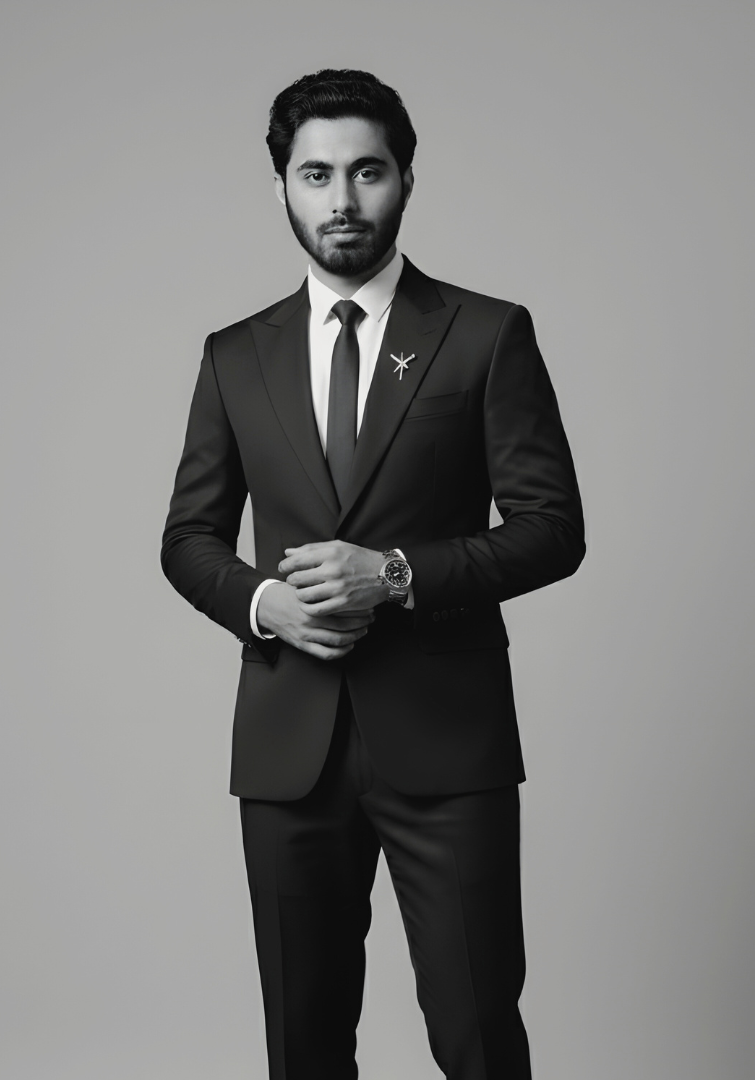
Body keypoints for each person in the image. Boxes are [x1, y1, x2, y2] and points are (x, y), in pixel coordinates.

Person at [162, 68, 584, 1080]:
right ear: (283, 189)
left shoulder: (485, 334)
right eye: (317, 174)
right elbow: (188, 538)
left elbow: (553, 528)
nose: (343, 199)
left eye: (367, 171)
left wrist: (393, 575)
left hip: (449, 742)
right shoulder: (235, 355)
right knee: (303, 1048)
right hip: (286, 745)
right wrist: (264, 604)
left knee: (479, 1034)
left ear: (404, 180)